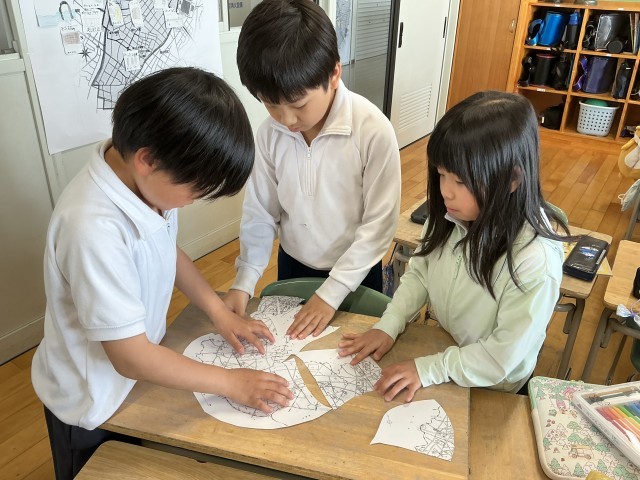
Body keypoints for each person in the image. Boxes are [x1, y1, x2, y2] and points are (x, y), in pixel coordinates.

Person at [31, 67, 294, 480]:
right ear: (148, 160)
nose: (193, 202)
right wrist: (232, 383)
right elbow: (130, 357)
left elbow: (166, 249)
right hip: (90, 402)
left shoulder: (141, 183)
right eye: (195, 191)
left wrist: (218, 311)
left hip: (134, 379)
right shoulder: (92, 228)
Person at [339, 91, 571, 400]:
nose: (446, 192)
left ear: (513, 179)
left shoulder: (535, 260)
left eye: (461, 181)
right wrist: (389, 323)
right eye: (441, 174)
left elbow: (501, 358)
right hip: (449, 351)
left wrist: (430, 368)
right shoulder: (453, 213)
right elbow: (420, 272)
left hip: (494, 387)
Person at [223, 0, 401, 340]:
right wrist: (244, 282)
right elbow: (261, 212)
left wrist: (331, 293)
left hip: (355, 272)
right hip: (294, 263)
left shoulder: (372, 131)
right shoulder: (270, 134)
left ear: (333, 74)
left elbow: (379, 225)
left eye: (298, 105)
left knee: (348, 357)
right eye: (271, 105)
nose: (286, 119)